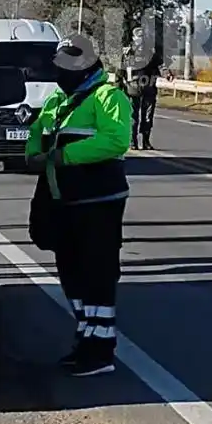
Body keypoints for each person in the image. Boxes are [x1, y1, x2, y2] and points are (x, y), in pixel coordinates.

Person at [24, 33, 132, 377]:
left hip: (98, 201)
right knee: (71, 272)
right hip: (63, 200)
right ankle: (86, 338)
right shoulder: (60, 99)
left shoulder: (107, 97)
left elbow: (115, 140)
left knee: (97, 274)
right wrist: (34, 154)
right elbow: (38, 132)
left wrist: (61, 156)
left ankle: (100, 350)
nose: (60, 73)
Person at [121, 25, 163, 150]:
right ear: (134, 38)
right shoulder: (128, 53)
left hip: (149, 88)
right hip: (132, 88)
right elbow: (120, 70)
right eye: (139, 37)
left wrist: (167, 74)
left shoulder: (151, 53)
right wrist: (119, 87)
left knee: (147, 117)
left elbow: (160, 66)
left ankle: (146, 141)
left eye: (143, 37)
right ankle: (132, 142)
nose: (141, 39)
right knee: (133, 117)